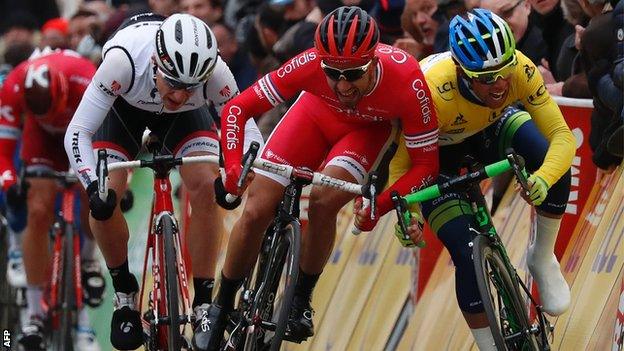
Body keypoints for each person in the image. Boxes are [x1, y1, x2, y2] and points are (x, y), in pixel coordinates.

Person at [196, 6, 439, 350]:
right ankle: (221, 306)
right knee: (255, 210)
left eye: (353, 74)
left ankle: (299, 300)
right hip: (313, 116)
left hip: (366, 131)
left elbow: (425, 164)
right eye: (332, 72)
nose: (342, 85)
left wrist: (379, 205)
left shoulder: (407, 79)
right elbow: (238, 108)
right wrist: (234, 169)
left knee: (324, 201)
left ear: (374, 61)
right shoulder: (309, 62)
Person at [63, 13, 262, 350]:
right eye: (173, 83)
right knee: (105, 195)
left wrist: (236, 175)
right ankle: (125, 293)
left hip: (184, 124)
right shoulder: (122, 62)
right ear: (155, 62)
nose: (180, 95)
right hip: (123, 113)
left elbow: (246, 130)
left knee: (204, 184)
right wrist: (90, 183)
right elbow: (77, 133)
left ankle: (202, 303)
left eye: (191, 86)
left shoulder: (215, 74)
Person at [385, 9, 575, 350]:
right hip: (433, 157)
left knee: (551, 159)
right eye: (485, 78)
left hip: (490, 130)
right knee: (466, 251)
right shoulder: (429, 90)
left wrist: (543, 179)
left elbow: (562, 136)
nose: (499, 84)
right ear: (461, 71)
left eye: (503, 73)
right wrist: (409, 214)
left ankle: (542, 256)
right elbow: (400, 166)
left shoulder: (519, 67)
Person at [0, 48, 103, 351]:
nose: (52, 118)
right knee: (38, 210)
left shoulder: (86, 77)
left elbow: (111, 134)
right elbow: (4, 152)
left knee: (94, 193)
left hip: (84, 131)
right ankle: (34, 312)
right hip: (40, 140)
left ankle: (88, 261)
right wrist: (9, 182)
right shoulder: (13, 87)